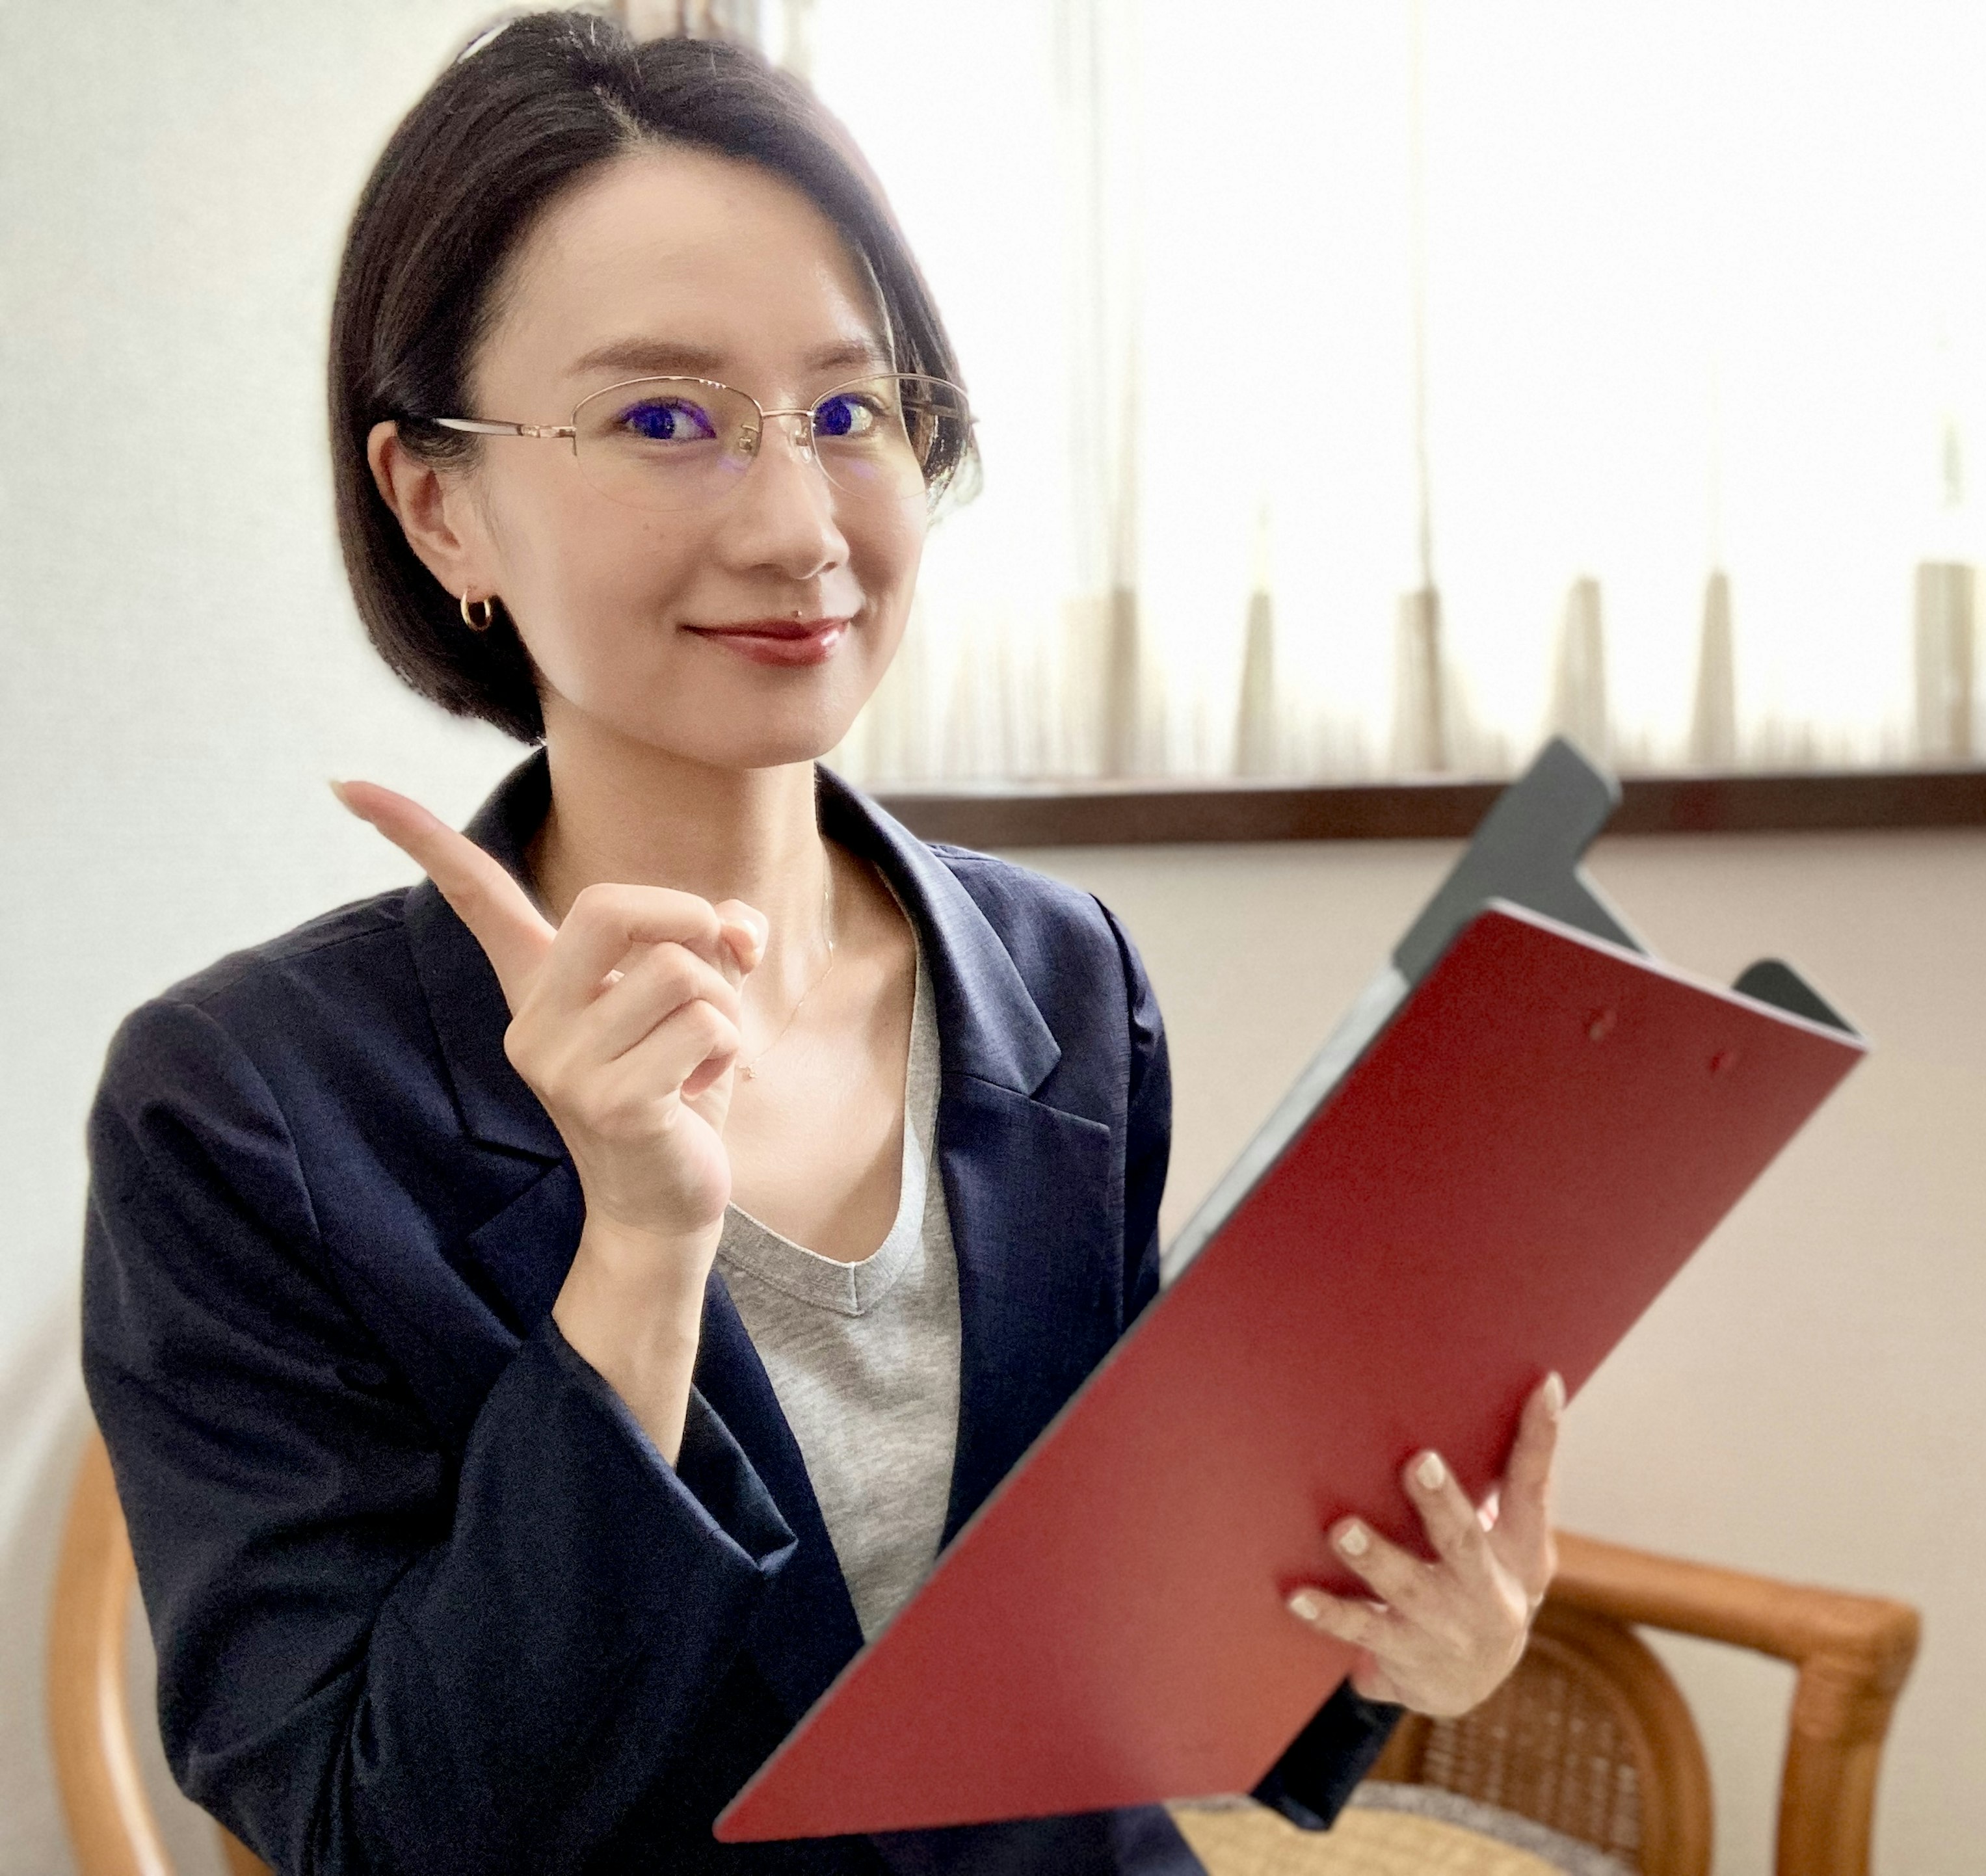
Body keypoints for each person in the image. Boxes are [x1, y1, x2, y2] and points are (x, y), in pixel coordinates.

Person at [79, 12, 1568, 1873]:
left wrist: (1399, 1638)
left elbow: (1090, 1622)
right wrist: (635, 1262)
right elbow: (374, 1831)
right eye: (662, 420)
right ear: (437, 497)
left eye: (851, 411)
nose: (801, 527)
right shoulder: (247, 1110)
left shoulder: (1060, 978)